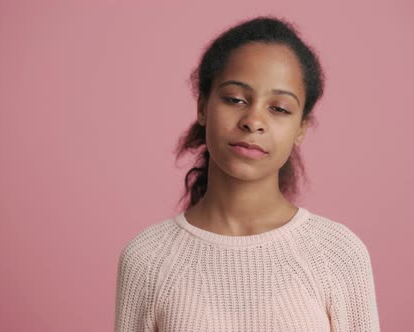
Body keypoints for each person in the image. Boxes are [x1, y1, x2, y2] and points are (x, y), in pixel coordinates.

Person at [114, 15, 381, 332]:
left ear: (301, 129)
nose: (253, 120)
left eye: (279, 108)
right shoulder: (147, 259)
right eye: (235, 99)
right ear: (203, 107)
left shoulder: (337, 254)